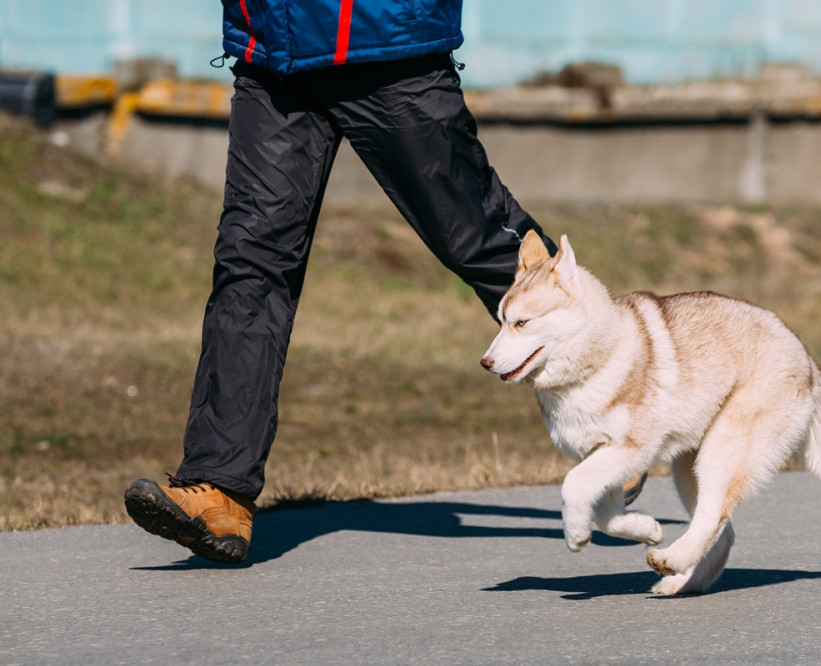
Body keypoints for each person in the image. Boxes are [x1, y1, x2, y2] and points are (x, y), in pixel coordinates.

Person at [124, 0, 645, 563]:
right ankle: (218, 489)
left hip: (386, 41)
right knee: (249, 261)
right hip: (271, 49)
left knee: (487, 246)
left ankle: (620, 427)